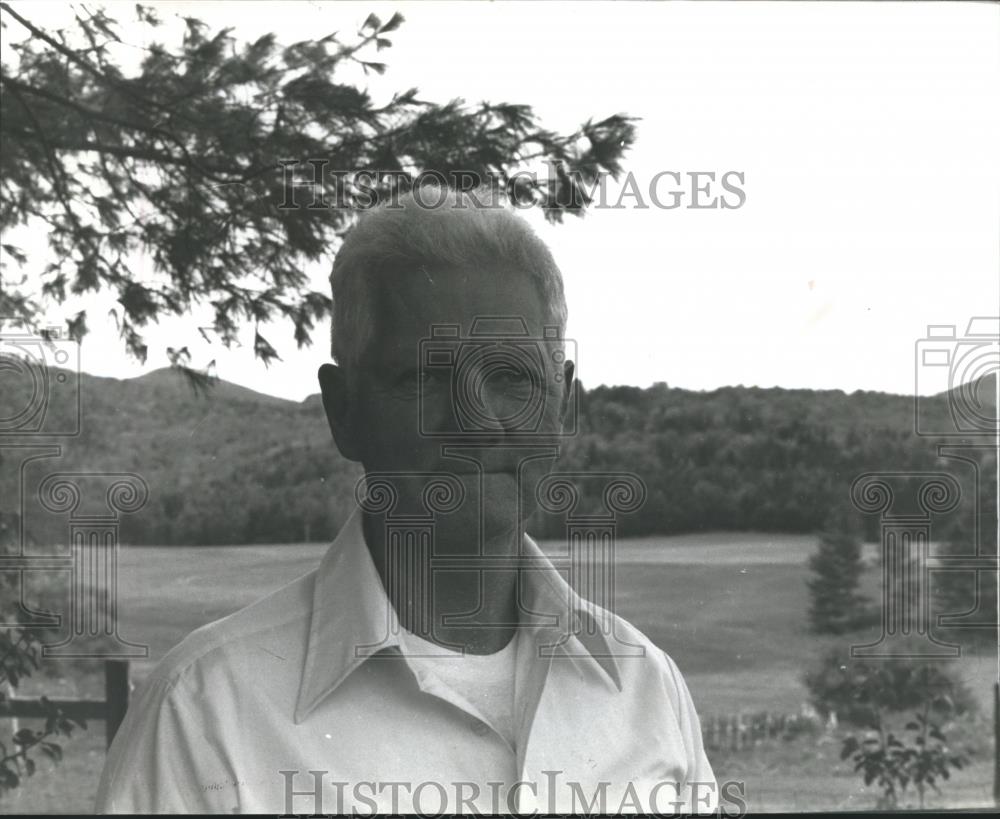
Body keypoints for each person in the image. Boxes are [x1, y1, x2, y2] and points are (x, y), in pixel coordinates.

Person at [96, 186, 717, 814]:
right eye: (425, 376)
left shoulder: (647, 691)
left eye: (510, 377)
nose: (476, 422)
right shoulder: (204, 716)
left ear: (562, 405)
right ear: (344, 411)